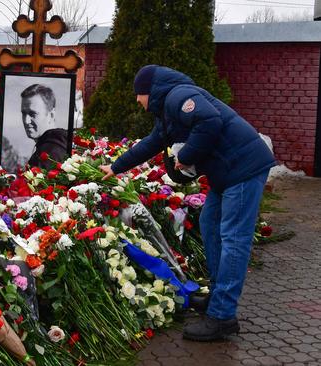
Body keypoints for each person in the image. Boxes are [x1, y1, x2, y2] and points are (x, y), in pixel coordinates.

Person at [101, 65, 276, 342]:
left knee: (233, 238)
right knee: (209, 223)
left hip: (243, 168)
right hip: (227, 173)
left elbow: (210, 121)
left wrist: (187, 157)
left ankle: (222, 316)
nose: (137, 100)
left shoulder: (178, 97)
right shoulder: (168, 114)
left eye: (138, 94)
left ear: (150, 91)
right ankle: (219, 299)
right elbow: (151, 143)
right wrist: (117, 166)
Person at [20, 84, 69, 170]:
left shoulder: (50, 153)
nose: (26, 121)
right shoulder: (56, 145)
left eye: (33, 114)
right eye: (24, 113)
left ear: (51, 115)